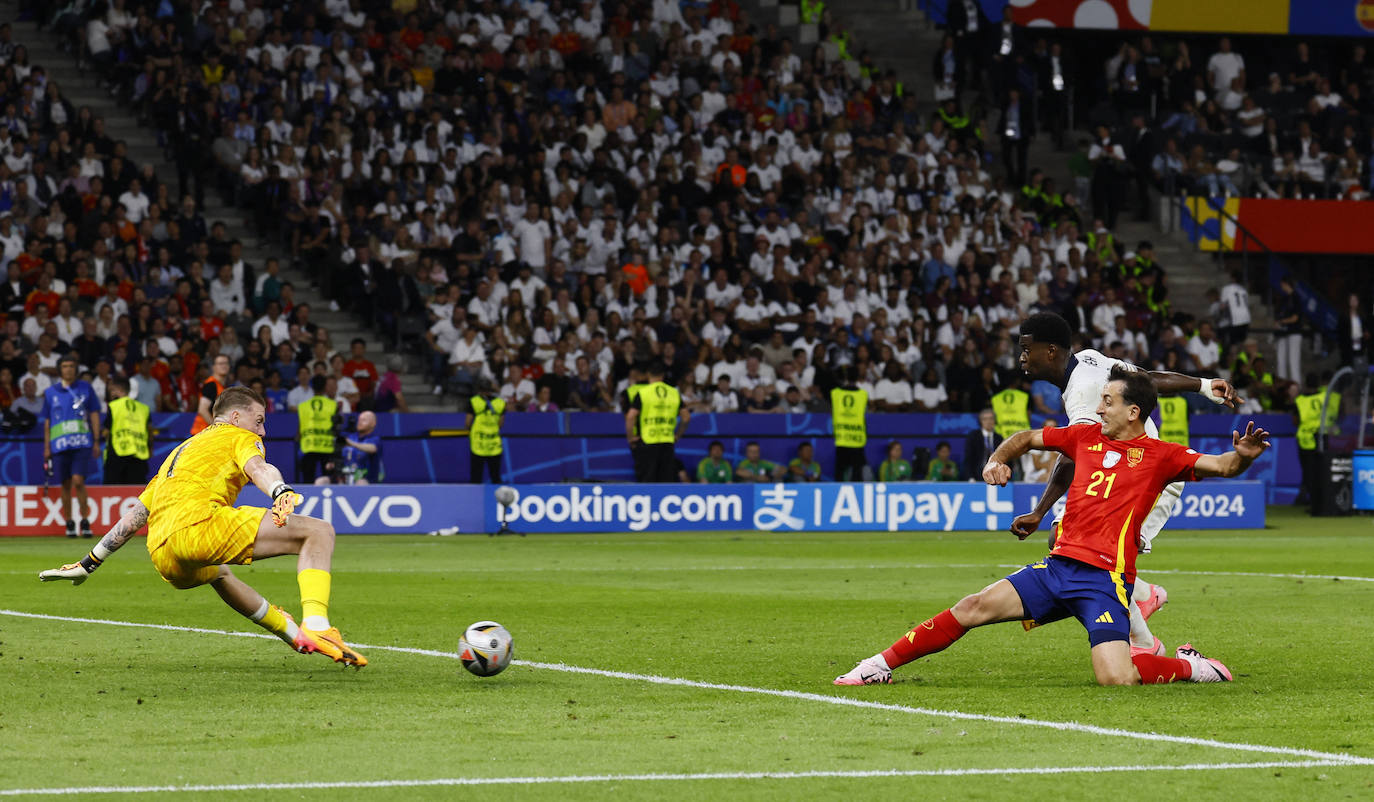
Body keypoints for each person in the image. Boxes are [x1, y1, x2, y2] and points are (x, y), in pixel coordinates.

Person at [835, 366, 1269, 687]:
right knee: (972, 607)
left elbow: (1221, 465)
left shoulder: (1163, 455)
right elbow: (1025, 437)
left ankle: (1193, 667)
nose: (1098, 408)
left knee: (1117, 679)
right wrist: (997, 459)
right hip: (1057, 569)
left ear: (1134, 412)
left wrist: (1243, 457)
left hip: (1105, 580)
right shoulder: (1084, 437)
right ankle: (878, 666)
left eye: (1108, 402)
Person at [40, 386, 367, 668]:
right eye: (259, 420)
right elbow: (259, 467)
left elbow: (136, 516)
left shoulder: (180, 452)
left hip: (163, 554)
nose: (262, 431)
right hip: (199, 526)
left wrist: (89, 563)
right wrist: (279, 490)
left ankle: (295, 635)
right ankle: (318, 624)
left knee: (220, 574)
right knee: (319, 531)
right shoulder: (239, 435)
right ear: (237, 418)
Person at [1009, 313, 1239, 656]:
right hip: (1124, 478)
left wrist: (1041, 510)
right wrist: (1202, 385)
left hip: (1147, 480)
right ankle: (1144, 596)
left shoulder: (1083, 391)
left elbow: (1073, 456)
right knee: (1077, 544)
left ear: (1052, 351)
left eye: (1027, 349)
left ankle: (1148, 646)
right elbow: (1142, 380)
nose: (1022, 357)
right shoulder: (1088, 360)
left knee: (1088, 550)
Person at [41, 355, 102, 537]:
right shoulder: (50, 392)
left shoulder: (86, 388)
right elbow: (47, 421)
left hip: (81, 443)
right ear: (60, 370)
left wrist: (97, 440)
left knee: (78, 481)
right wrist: (46, 447)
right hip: (59, 445)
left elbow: (94, 414)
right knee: (65, 484)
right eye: (65, 366)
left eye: (71, 366)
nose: (68, 369)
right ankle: (69, 522)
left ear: (76, 369)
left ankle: (85, 521)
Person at [625, 361, 690, 483]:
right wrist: (677, 435)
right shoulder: (674, 393)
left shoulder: (643, 393)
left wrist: (630, 437)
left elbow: (630, 416)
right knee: (665, 481)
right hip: (667, 442)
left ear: (648, 374)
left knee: (647, 481)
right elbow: (686, 417)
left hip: (647, 442)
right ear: (663, 375)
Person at [103, 375, 150, 485]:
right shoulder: (143, 408)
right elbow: (149, 431)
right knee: (137, 493)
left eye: (111, 390)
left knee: (114, 491)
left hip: (117, 455)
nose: (110, 394)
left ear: (117, 389)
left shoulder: (114, 406)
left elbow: (106, 432)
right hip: (139, 456)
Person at [296, 375, 337, 484]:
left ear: (312, 387)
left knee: (308, 480)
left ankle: (307, 499)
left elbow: (300, 429)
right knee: (329, 480)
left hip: (308, 446)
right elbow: (337, 427)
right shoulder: (333, 405)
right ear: (325, 387)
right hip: (328, 447)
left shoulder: (303, 406)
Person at [830, 366, 868, 481]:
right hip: (857, 438)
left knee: (840, 472)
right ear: (857, 378)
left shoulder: (835, 393)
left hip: (842, 437)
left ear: (845, 377)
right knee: (857, 474)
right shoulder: (863, 394)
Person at [467, 381, 505, 483]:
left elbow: (468, 422)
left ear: (479, 390)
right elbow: (501, 423)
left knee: (476, 477)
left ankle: (473, 498)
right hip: (494, 445)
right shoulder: (500, 403)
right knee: (495, 476)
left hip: (478, 444)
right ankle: (499, 499)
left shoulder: (474, 401)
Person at [191, 354, 231, 435]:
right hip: (202, 432)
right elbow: (202, 410)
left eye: (226, 363)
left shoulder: (222, 386)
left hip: (208, 433)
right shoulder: (211, 385)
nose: (223, 366)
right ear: (213, 367)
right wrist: (216, 427)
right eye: (220, 364)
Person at [339, 410, 383, 485]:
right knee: (322, 481)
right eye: (359, 420)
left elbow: (373, 448)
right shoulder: (350, 436)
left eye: (364, 420)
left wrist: (351, 443)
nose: (359, 422)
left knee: (361, 483)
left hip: (367, 481)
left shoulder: (375, 439)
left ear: (373, 424)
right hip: (345, 477)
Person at [962, 409, 1002, 482]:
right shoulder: (973, 436)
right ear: (980, 421)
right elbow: (968, 459)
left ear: (995, 421)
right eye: (985, 419)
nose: (988, 422)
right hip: (977, 476)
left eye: (991, 418)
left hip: (995, 476)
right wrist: (970, 477)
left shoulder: (999, 438)